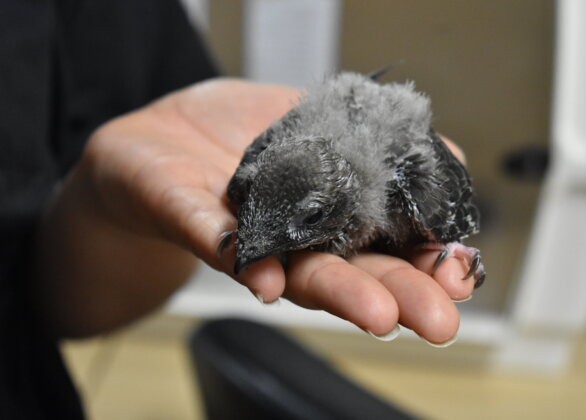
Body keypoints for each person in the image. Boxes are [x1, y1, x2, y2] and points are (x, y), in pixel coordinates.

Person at [1, 0, 476, 418]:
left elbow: (51, 298)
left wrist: (106, 209)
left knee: (444, 223)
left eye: (308, 219)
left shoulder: (411, 183)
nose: (251, 247)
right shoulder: (255, 174)